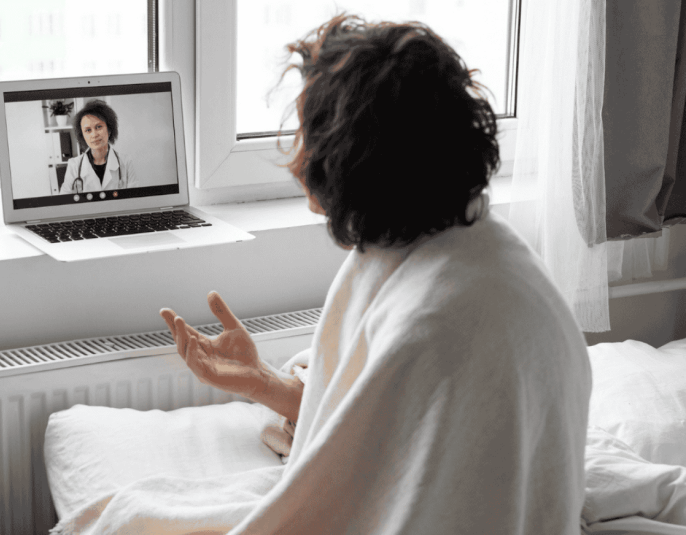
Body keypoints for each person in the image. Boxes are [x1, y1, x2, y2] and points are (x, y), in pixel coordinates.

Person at [53, 13, 592, 535]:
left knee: (130, 520)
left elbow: (375, 502)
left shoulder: (442, 322)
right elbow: (380, 435)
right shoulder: (456, 239)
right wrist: (264, 382)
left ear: (359, 160)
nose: (305, 183)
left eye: (312, 146)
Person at [59, 99, 137, 194]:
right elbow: (65, 203)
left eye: (99, 127)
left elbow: (134, 200)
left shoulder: (126, 162)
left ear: (109, 129)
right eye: (88, 130)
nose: (94, 134)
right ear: (82, 135)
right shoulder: (74, 165)